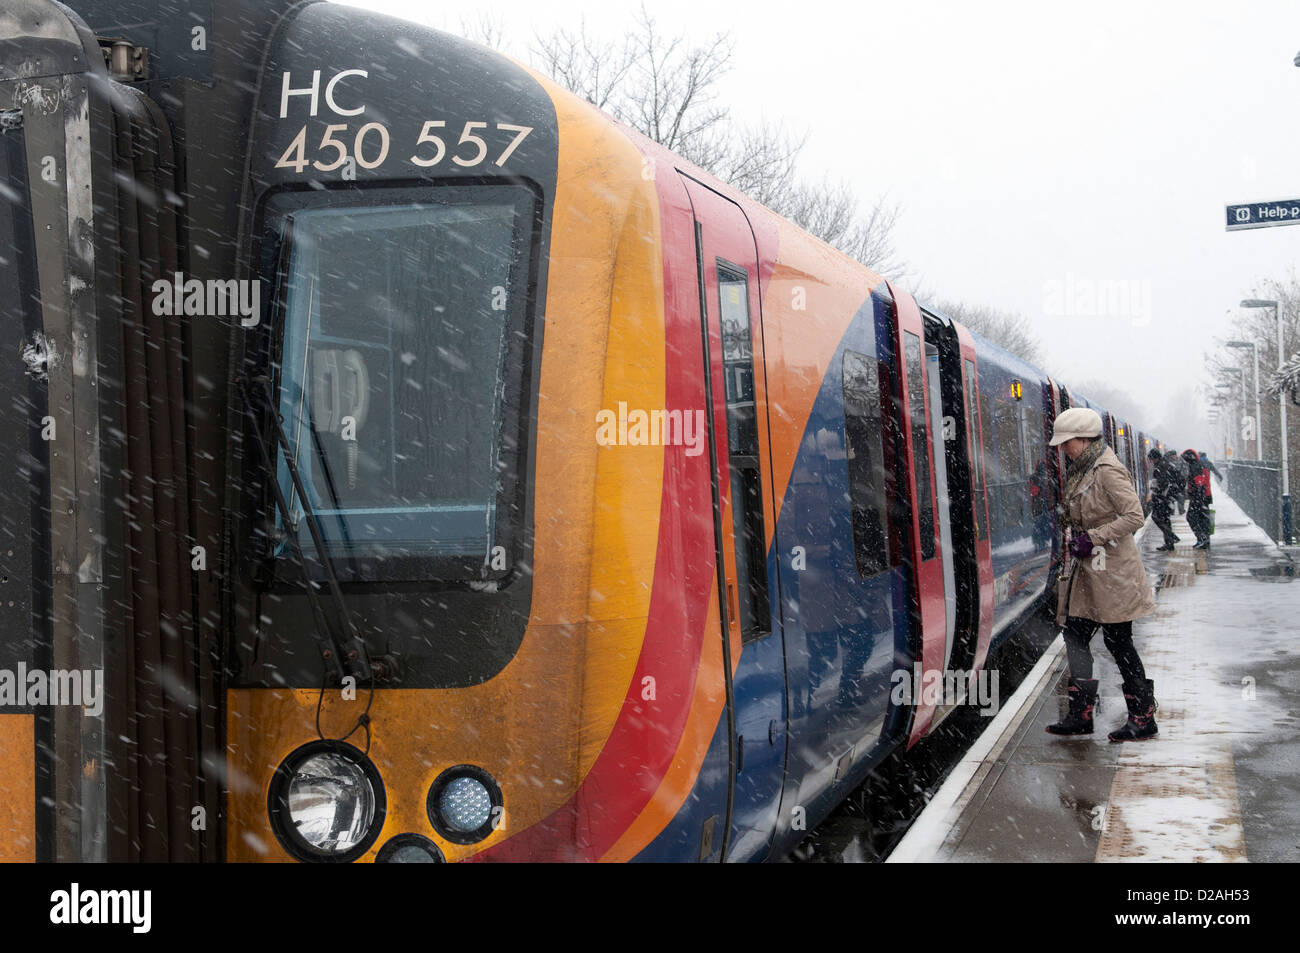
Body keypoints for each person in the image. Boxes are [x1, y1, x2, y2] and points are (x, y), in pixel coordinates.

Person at [1046, 407, 1158, 741]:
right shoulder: (1085, 467)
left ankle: (1143, 717)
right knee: (1075, 634)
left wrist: (1093, 537)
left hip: (1113, 571)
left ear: (1084, 439)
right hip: (1091, 569)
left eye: (1067, 443)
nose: (1063, 449)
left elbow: (1134, 516)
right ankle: (1080, 714)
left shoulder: (1107, 469)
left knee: (1118, 641)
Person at [1147, 447, 1180, 551]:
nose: (1151, 462)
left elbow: (1163, 482)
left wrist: (1156, 490)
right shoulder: (1165, 464)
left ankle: (1172, 537)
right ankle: (1169, 543)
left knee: (1156, 517)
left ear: (1155, 458)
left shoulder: (1160, 466)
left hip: (1162, 498)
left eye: (1151, 459)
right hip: (1168, 497)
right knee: (1166, 519)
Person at [1184, 448, 1213, 549]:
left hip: (1199, 499)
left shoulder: (1195, 467)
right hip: (1204, 498)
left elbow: (1199, 484)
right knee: (1203, 519)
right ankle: (1205, 540)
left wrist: (1197, 498)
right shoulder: (1199, 464)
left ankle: (1201, 538)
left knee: (1191, 517)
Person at [1165, 449, 1187, 514]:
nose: (1173, 457)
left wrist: (1183, 479)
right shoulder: (1169, 462)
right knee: (1172, 498)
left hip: (1179, 482)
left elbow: (1184, 470)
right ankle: (1172, 511)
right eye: (1172, 456)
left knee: (1180, 498)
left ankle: (1181, 510)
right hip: (1173, 483)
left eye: (1174, 455)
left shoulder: (1180, 461)